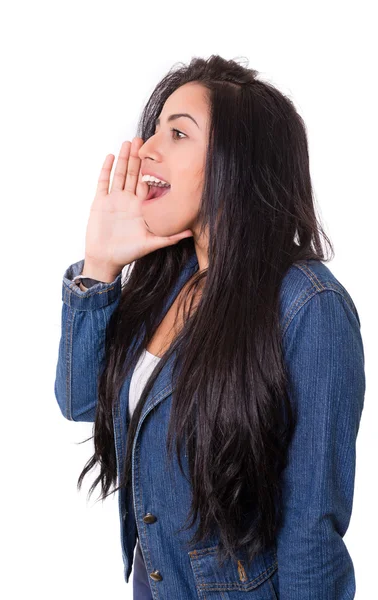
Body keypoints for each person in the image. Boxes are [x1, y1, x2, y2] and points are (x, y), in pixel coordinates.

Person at [54, 55, 366, 599]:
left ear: (235, 162)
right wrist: (99, 265)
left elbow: (311, 528)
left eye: (177, 133)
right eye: (154, 130)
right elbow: (80, 399)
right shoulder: (165, 282)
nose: (147, 149)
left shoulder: (310, 309)